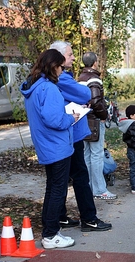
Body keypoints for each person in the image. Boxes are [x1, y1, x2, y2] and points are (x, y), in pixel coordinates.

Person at [49, 41, 112, 232]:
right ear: (59, 58)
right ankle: (89, 219)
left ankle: (60, 217)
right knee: (79, 176)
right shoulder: (62, 78)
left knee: (58, 179)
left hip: (64, 133)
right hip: (72, 133)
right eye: (70, 55)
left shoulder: (53, 79)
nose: (74, 58)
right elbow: (85, 94)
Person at [20, 49, 77, 249]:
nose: (62, 71)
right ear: (53, 66)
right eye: (61, 67)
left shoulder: (34, 86)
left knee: (52, 188)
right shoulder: (49, 89)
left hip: (46, 145)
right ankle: (51, 234)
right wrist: (71, 118)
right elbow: (55, 119)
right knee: (57, 191)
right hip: (57, 146)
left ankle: (49, 230)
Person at [77, 52, 117, 200]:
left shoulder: (80, 78)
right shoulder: (94, 79)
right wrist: (104, 115)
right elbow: (95, 101)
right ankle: (100, 189)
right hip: (94, 120)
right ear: (94, 63)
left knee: (87, 154)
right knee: (96, 155)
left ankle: (89, 187)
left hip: (83, 119)